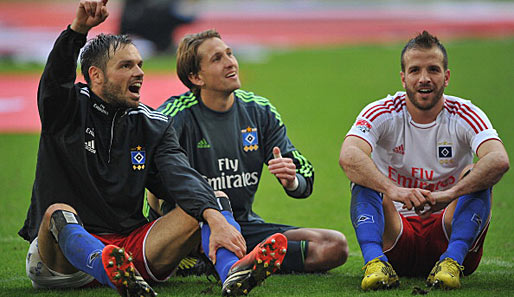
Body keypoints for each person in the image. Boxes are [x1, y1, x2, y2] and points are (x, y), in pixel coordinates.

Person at [18, 1, 287, 296]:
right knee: (58, 212)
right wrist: (78, 30)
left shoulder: (153, 125)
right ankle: (102, 263)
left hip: (129, 251)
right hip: (63, 264)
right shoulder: (66, 109)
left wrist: (213, 215)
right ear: (95, 75)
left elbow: (180, 176)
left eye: (140, 65)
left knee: (212, 198)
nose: (139, 73)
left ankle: (232, 273)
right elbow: (56, 80)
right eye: (126, 66)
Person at [147, 29, 349, 275]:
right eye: (217, 59)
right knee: (205, 210)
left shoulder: (259, 111)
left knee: (334, 246)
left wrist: (292, 180)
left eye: (229, 54)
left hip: (243, 226)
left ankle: (237, 261)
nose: (230, 62)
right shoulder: (173, 117)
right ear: (196, 77)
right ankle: (214, 257)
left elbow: (303, 173)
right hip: (190, 227)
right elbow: (151, 185)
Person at [339, 31, 509, 290]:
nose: (424, 79)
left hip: (448, 232)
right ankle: (375, 263)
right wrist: (394, 190)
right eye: (415, 70)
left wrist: (449, 194)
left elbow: (498, 159)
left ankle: (451, 262)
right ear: (403, 77)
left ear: (447, 76)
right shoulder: (382, 111)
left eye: (433, 69)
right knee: (362, 173)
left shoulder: (465, 113)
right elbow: (349, 155)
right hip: (395, 236)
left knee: (478, 172)